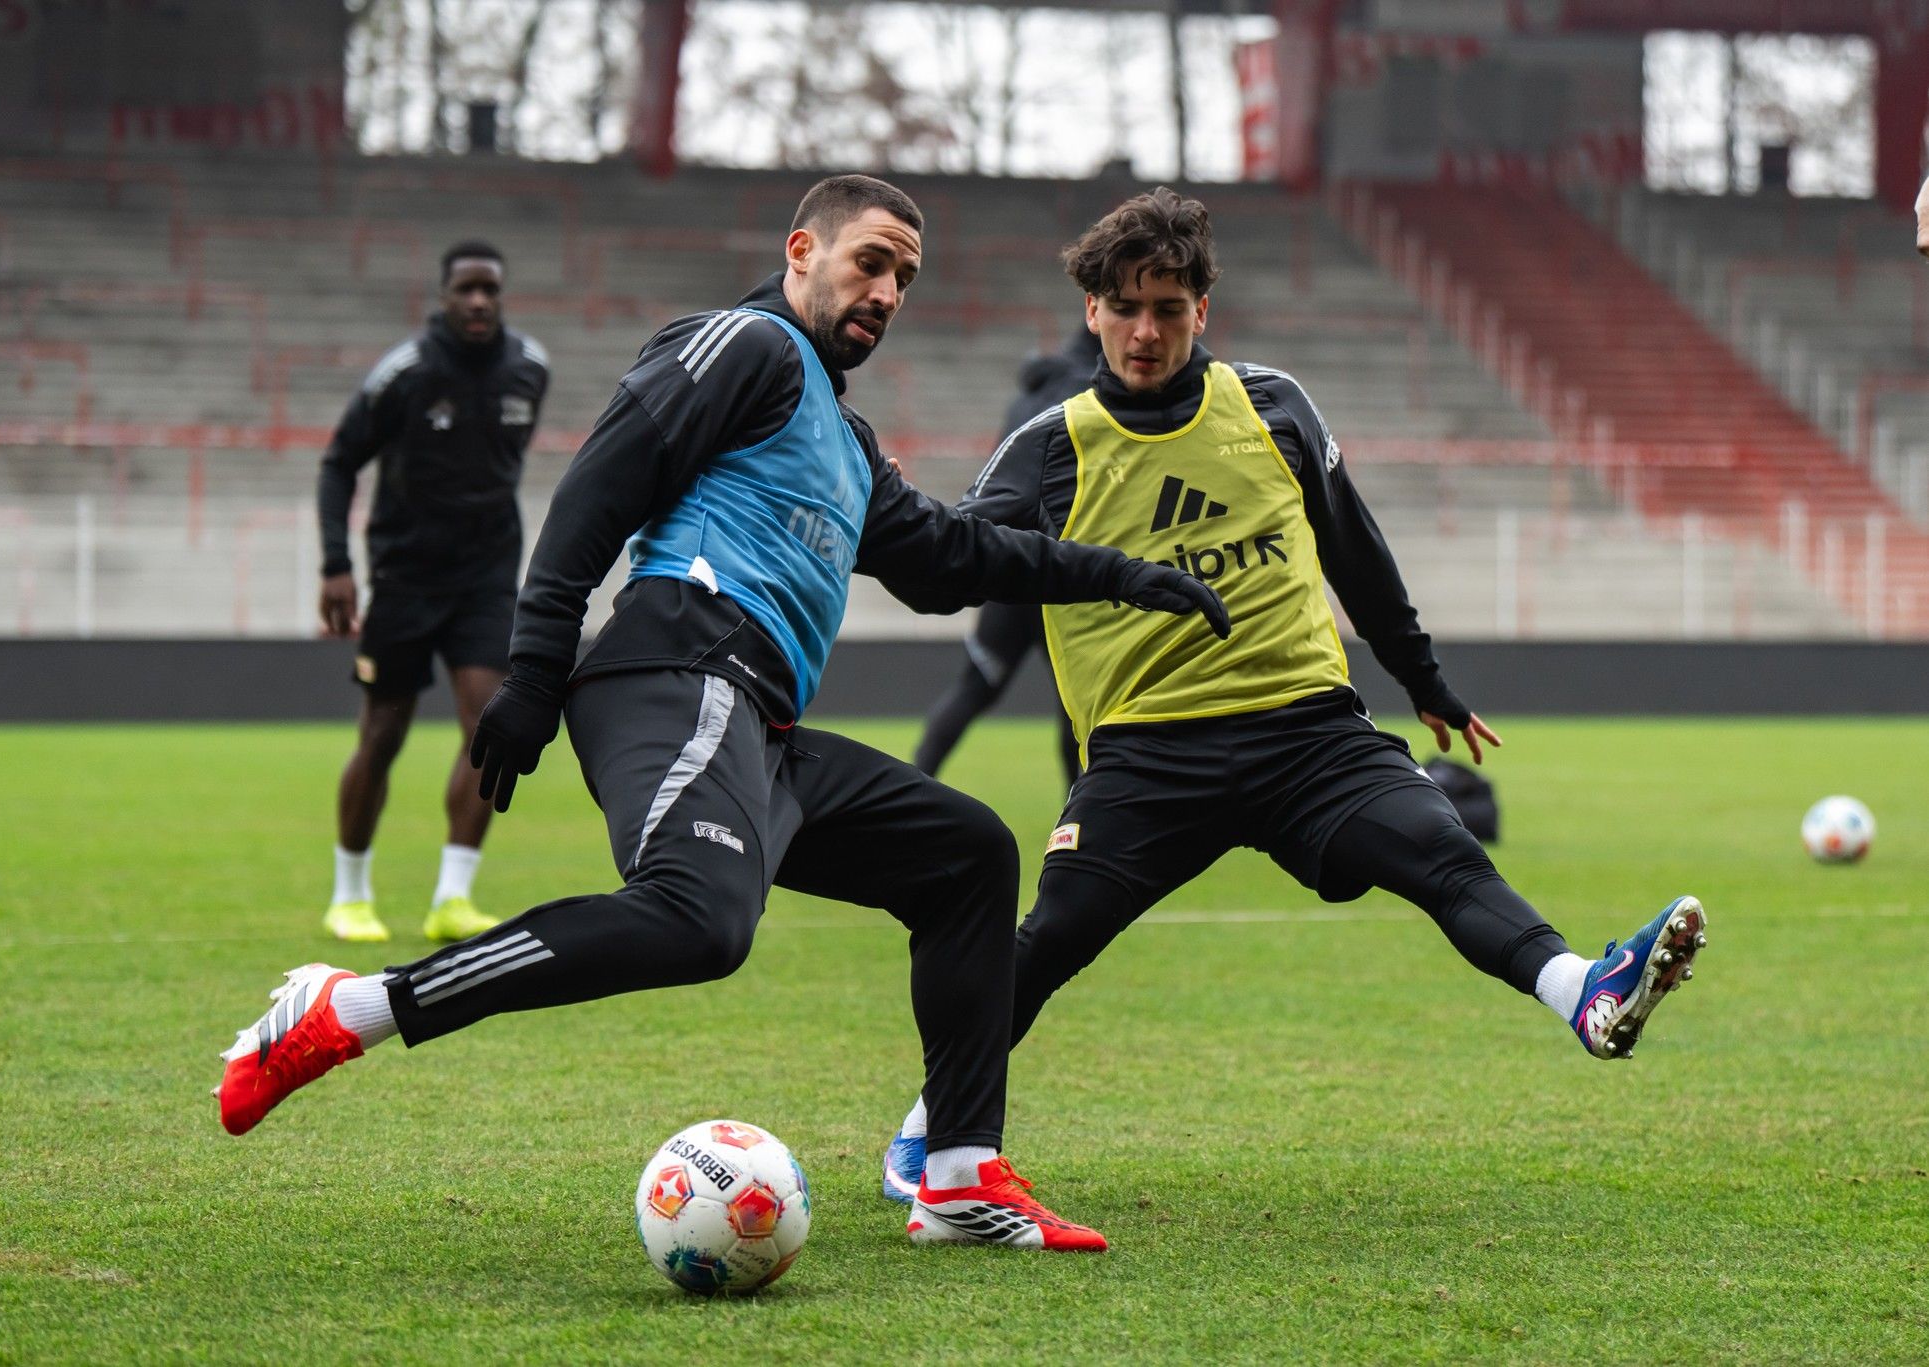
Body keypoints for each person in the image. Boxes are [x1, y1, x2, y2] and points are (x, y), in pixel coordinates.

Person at [217, 175, 1231, 1253]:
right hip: (677, 671)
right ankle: (346, 1008)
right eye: (870, 261)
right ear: (802, 250)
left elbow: (947, 559)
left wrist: (1118, 573)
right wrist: (531, 668)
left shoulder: (844, 440)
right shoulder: (743, 346)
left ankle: (957, 1174)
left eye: (905, 277)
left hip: (761, 727)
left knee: (966, 851)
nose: (886, 290)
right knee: (700, 920)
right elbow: (597, 488)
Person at [878, 188, 1708, 1204]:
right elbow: (947, 562)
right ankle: (930, 1128)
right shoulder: (1050, 447)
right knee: (1047, 942)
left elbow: (1354, 548)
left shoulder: (1272, 405)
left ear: (1202, 312)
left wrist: (1423, 681)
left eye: (1170, 308)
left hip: (1308, 733)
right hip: (1149, 754)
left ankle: (1585, 990)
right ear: (1091, 310)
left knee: (1442, 852)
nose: (1147, 331)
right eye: (1126, 307)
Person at [315, 241, 550, 946]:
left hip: (485, 578)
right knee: (382, 733)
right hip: (406, 577)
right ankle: (349, 894)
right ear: (443, 296)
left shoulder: (530, 369)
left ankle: (453, 895)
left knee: (489, 731)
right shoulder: (406, 373)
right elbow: (338, 462)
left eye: (490, 290)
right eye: (465, 290)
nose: (478, 302)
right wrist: (336, 562)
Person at [911, 326, 1100, 787]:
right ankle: (1078, 823)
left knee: (972, 690)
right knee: (1075, 712)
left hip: (1010, 568)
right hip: (1061, 574)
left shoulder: (1029, 396)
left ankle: (913, 788)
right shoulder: (1090, 396)